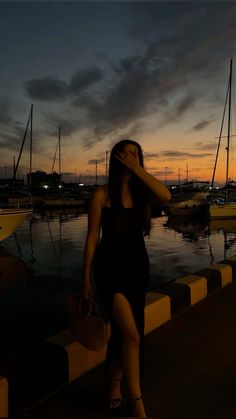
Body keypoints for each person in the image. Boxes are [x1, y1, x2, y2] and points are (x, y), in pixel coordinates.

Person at [82, 139, 171, 418]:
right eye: (127, 153)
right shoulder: (102, 194)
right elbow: (92, 238)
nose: (132, 157)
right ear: (117, 158)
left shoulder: (141, 194)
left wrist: (139, 170)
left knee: (125, 333)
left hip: (137, 269)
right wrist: (85, 280)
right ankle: (137, 403)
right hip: (110, 269)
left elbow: (166, 196)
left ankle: (115, 384)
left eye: (137, 154)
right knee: (132, 334)